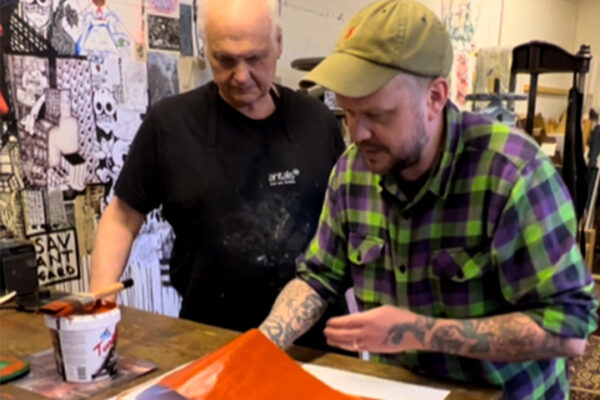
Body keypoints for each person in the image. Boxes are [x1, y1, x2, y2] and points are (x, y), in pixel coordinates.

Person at [258, 0, 598, 397]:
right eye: (348, 113)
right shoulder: (353, 172)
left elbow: (570, 329)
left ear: (435, 97)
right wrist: (262, 342)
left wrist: (418, 331)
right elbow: (319, 277)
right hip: (401, 390)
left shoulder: (514, 175)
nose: (357, 134)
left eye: (378, 115)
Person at [90, 0, 347, 351]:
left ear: (278, 44)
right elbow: (122, 217)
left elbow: (348, 225)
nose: (241, 76)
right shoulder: (171, 124)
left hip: (317, 344)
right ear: (206, 48)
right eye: (225, 60)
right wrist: (99, 301)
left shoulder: (317, 122)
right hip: (209, 338)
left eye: (255, 58)